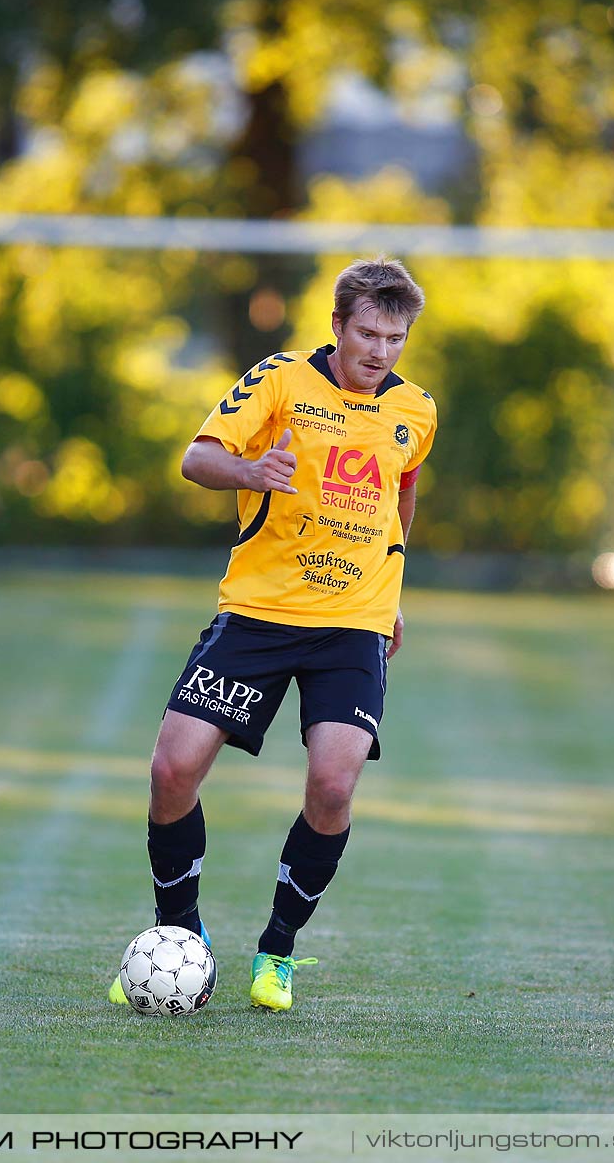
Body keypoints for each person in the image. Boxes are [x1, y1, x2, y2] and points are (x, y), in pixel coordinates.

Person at [107, 257, 437, 1012]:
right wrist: (253, 471)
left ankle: (277, 953)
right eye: (367, 333)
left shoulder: (415, 411)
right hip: (257, 613)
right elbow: (197, 460)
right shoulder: (281, 379)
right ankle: (179, 939)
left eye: (395, 337)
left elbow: (402, 491)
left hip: (351, 623)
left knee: (333, 784)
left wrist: (393, 587)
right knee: (171, 772)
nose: (380, 350)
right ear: (337, 326)